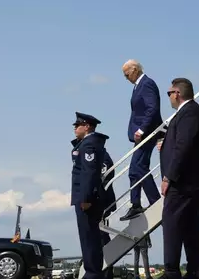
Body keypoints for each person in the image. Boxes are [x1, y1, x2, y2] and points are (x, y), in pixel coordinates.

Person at [160, 78, 199, 279]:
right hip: (189, 181)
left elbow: (183, 145)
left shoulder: (189, 113)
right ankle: (193, 271)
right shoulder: (189, 113)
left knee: (172, 224)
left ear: (177, 93)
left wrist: (168, 177)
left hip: (182, 182)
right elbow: (182, 142)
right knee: (189, 225)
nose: (168, 97)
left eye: (169, 93)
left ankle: (172, 271)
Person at [120, 60, 162, 221]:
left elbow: (153, 108)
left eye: (127, 74)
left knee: (139, 167)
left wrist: (142, 129)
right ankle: (135, 203)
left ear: (135, 69)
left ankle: (155, 200)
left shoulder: (147, 84)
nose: (126, 78)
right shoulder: (138, 85)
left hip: (147, 133)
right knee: (134, 170)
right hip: (141, 134)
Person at [70, 112, 109, 279]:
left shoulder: (88, 145)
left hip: (87, 200)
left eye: (77, 125)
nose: (74, 128)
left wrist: (85, 198)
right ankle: (93, 272)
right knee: (89, 238)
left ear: (87, 127)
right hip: (86, 198)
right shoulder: (86, 144)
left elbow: (89, 173)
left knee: (89, 239)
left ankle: (92, 274)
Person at [100, 150, 116, 279]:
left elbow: (104, 177)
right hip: (101, 201)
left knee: (101, 237)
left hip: (101, 202)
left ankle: (106, 272)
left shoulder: (102, 155)